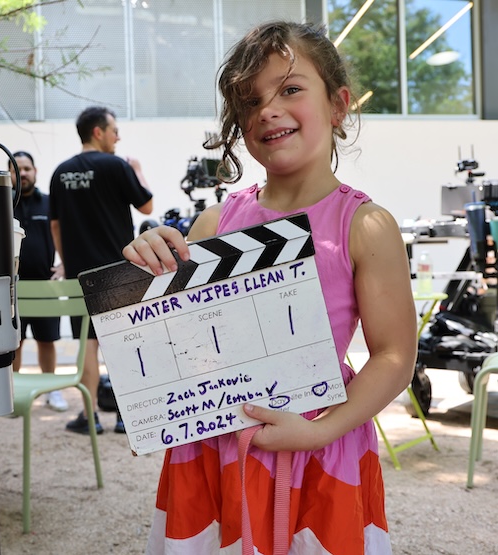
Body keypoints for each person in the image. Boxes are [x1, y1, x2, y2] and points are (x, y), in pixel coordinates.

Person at [122, 21, 417, 554]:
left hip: (318, 445)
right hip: (215, 445)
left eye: (291, 89)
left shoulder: (366, 225)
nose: (268, 110)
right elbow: (179, 352)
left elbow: (395, 354)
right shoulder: (213, 224)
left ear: (338, 104)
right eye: (250, 101)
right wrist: (150, 276)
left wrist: (322, 430)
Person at [50, 106, 153, 435]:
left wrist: (67, 263)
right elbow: (147, 206)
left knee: (87, 343)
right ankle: (125, 416)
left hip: (80, 272)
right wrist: (136, 169)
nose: (118, 136)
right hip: (118, 266)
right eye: (114, 130)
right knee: (121, 340)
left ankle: (90, 415)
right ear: (98, 132)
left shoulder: (60, 172)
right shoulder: (116, 165)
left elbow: (55, 225)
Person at [9, 151, 68, 412]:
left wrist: (65, 265)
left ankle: (51, 391)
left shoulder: (50, 203)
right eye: (16, 169)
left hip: (45, 285)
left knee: (47, 340)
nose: (22, 173)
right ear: (9, 173)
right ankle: (11, 392)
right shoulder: (2, 204)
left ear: (35, 171)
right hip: (12, 287)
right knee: (14, 342)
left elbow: (64, 234)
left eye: (26, 168)